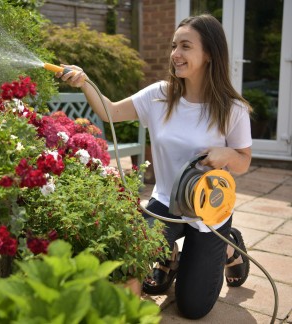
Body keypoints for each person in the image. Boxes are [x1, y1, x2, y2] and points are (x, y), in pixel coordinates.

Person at [57, 14, 252, 320]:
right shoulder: (160, 95)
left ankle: (230, 246)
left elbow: (243, 161)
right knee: (132, 251)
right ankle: (169, 257)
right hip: (166, 202)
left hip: (208, 211)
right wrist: (84, 82)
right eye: (174, 45)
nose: (175, 53)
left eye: (185, 46)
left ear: (210, 54)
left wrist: (226, 154)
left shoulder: (232, 108)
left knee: (192, 307)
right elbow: (110, 111)